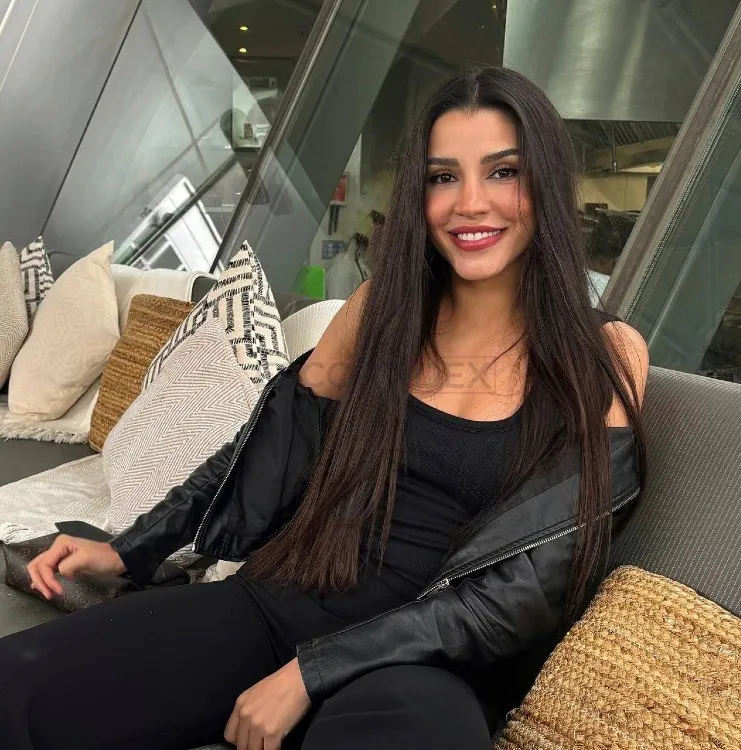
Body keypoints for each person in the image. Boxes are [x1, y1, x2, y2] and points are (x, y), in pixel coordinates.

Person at [0, 67, 648, 750]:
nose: (470, 203)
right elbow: (264, 451)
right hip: (282, 602)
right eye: (443, 177)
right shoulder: (381, 312)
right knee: (18, 685)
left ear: (545, 183)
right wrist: (131, 549)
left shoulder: (602, 355)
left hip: (428, 666)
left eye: (503, 172)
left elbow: (529, 589)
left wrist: (312, 673)